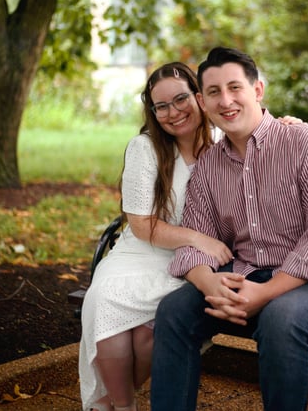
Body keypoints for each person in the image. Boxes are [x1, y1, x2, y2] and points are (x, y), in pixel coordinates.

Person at [150, 47, 308, 411]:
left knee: (281, 319)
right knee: (174, 311)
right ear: (202, 101)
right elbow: (196, 238)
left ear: (258, 90)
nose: (226, 100)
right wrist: (209, 283)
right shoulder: (209, 166)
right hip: (249, 273)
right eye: (214, 92)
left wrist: (264, 293)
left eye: (235, 87)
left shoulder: (305, 142)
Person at [78, 62, 234, 411]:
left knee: (148, 332)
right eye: (161, 106)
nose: (173, 113)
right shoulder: (145, 148)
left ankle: (110, 401)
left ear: (198, 96)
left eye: (180, 99)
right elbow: (141, 226)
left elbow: (262, 130)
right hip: (141, 252)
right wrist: (198, 238)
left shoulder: (223, 141)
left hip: (190, 263)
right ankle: (123, 406)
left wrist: (289, 123)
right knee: (104, 300)